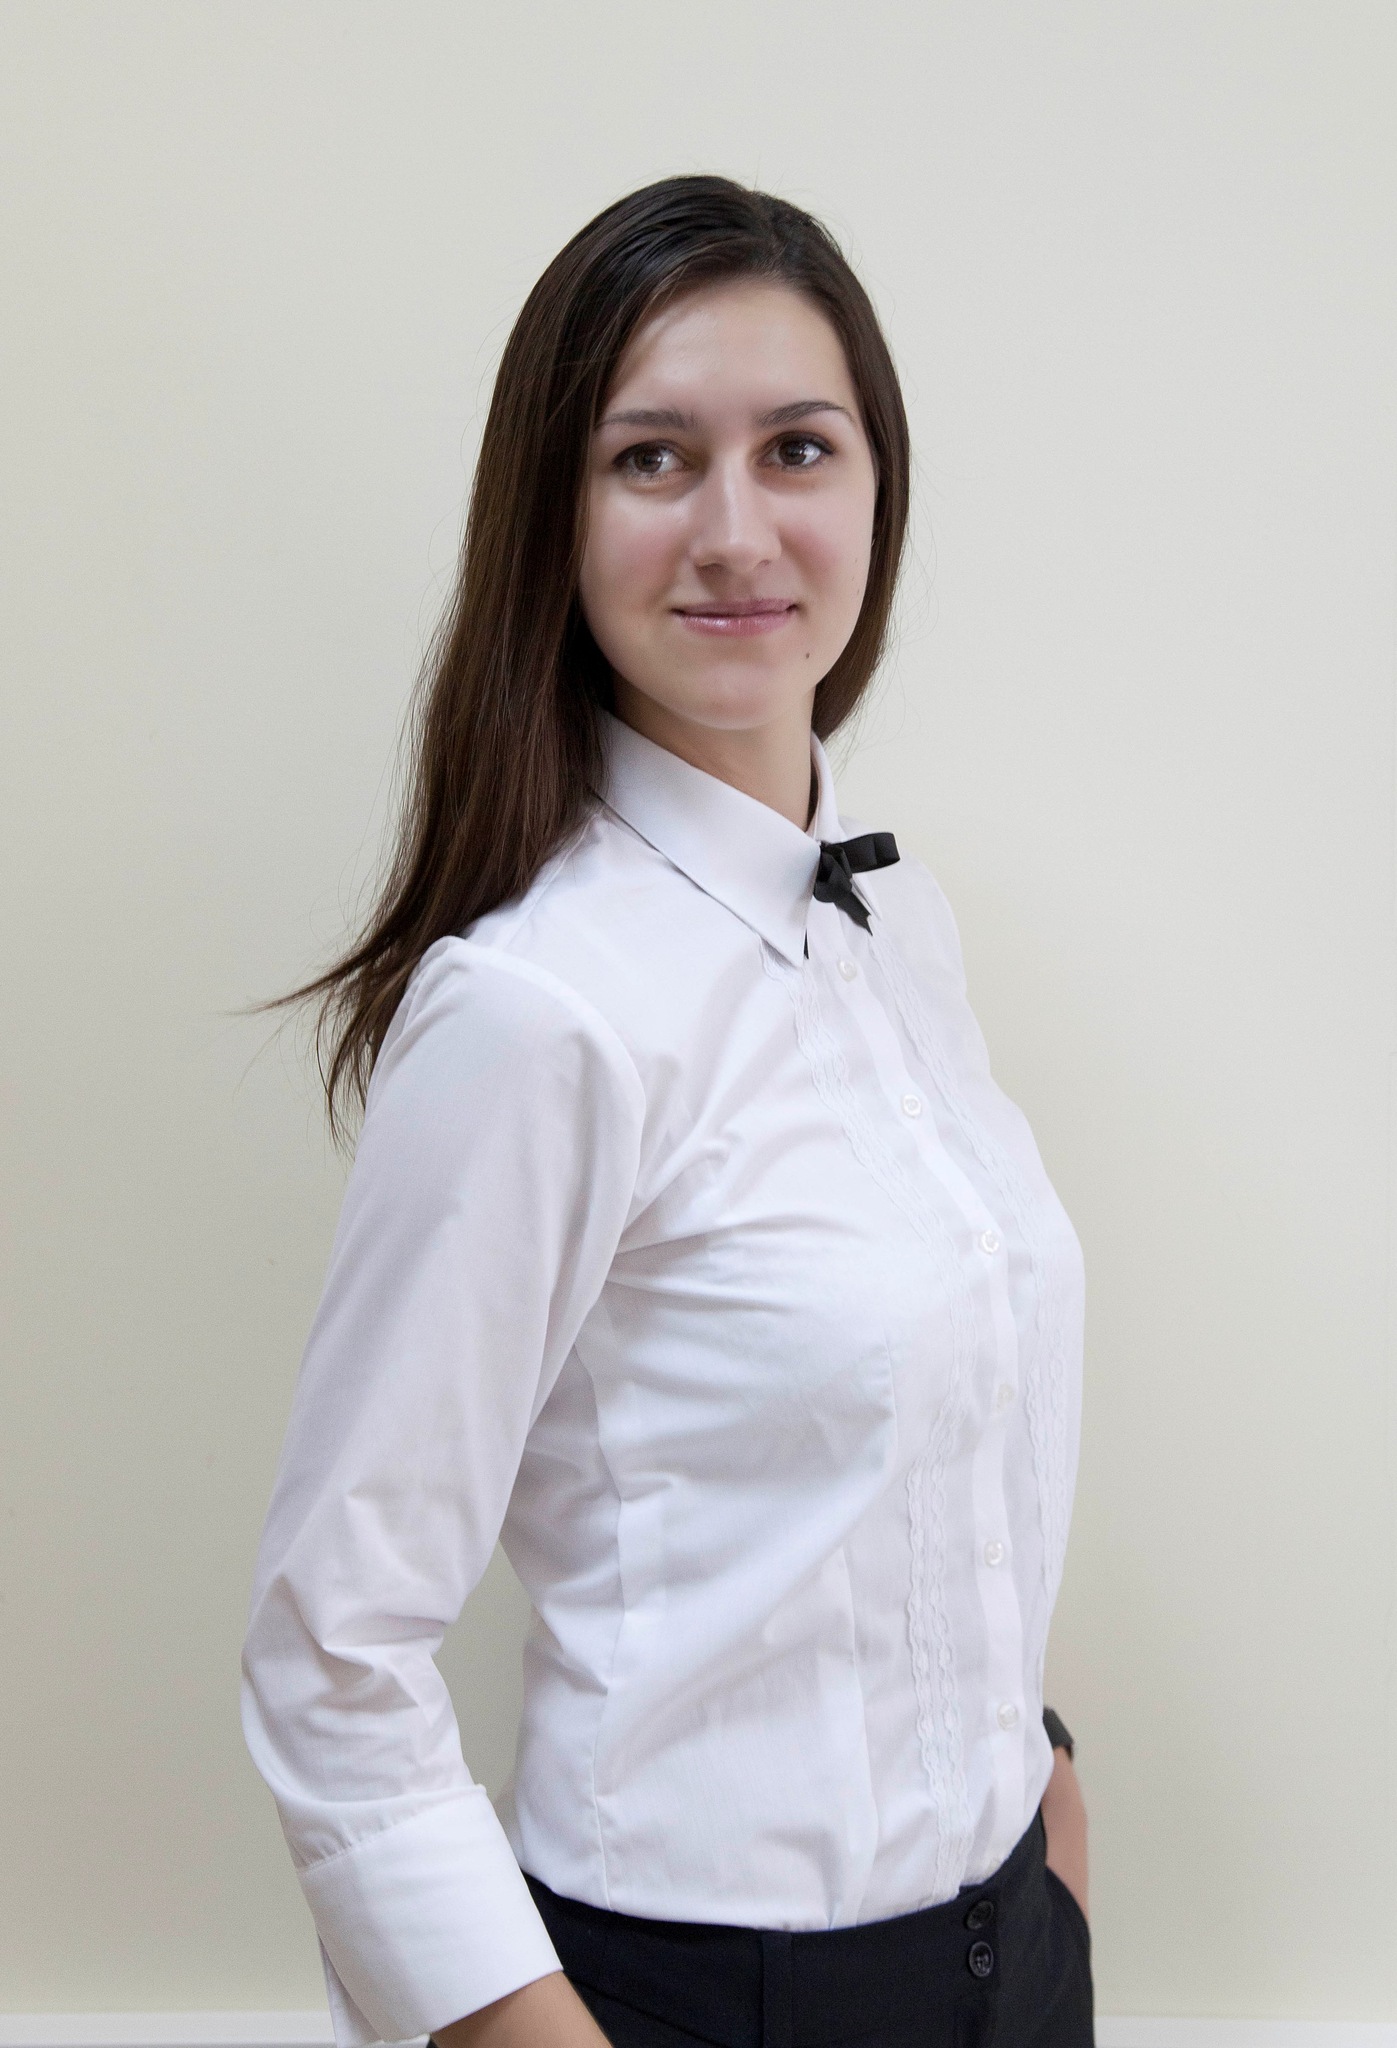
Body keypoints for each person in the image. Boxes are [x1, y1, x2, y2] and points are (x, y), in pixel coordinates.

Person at [241, 174, 1093, 2048]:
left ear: (875, 486)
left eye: (797, 448)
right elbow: (330, 1648)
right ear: (555, 516)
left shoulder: (896, 922)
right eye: (651, 459)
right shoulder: (537, 1013)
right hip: (705, 1995)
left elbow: (931, 1436)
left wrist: (1041, 1799)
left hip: (1004, 1955)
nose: (734, 530)